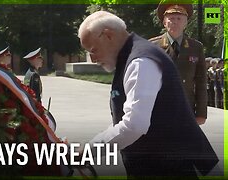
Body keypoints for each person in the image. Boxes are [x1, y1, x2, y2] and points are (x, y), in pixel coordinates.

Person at [78, 10, 218, 178]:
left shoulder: (140, 62)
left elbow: (134, 125)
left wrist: (88, 150)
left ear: (108, 35)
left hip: (172, 167)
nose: (93, 59)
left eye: (93, 50)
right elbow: (128, 120)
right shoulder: (133, 57)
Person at [149, 1, 207, 125]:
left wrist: (201, 113)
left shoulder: (196, 47)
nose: (175, 22)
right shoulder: (152, 46)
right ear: (164, 22)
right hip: (158, 108)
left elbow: (201, 82)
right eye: (171, 18)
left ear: (186, 23)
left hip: (186, 108)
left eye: (179, 18)